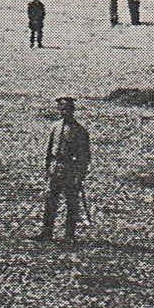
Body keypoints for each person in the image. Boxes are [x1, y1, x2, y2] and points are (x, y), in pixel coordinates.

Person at [37, 96, 91, 243]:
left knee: (71, 203)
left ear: (73, 110)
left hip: (70, 170)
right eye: (62, 109)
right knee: (50, 201)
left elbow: (84, 157)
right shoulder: (55, 127)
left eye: (67, 109)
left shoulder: (80, 131)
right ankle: (46, 233)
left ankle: (69, 236)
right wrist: (48, 168)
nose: (64, 111)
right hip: (56, 168)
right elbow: (49, 150)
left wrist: (79, 176)